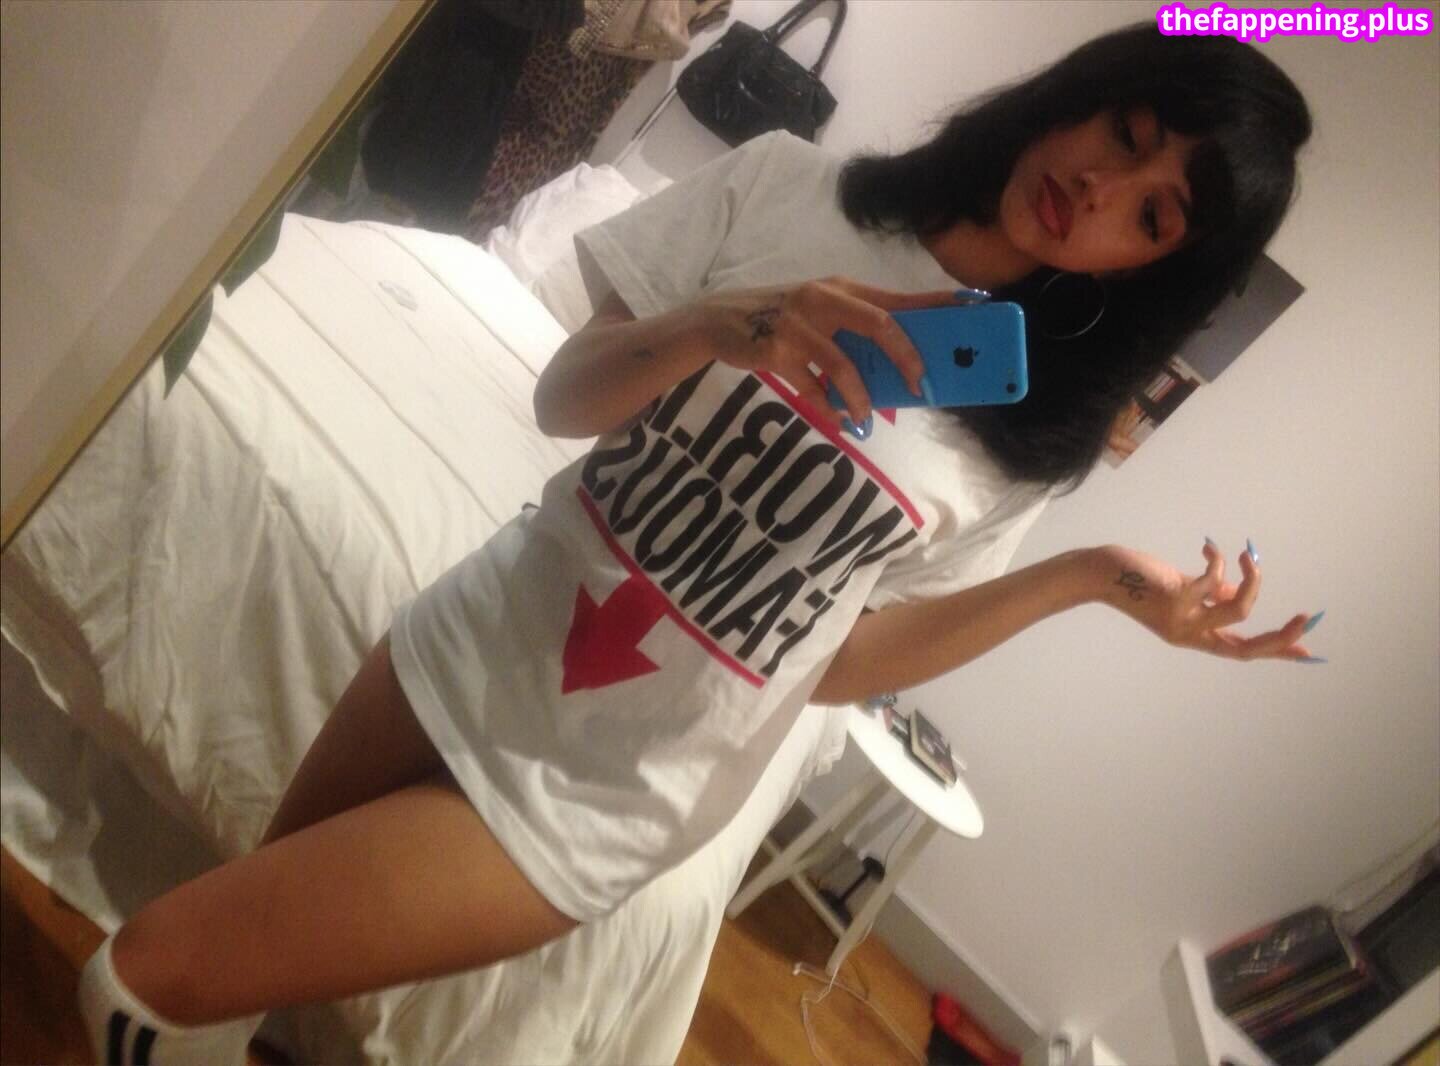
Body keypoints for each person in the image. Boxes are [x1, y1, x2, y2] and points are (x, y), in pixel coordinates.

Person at [78, 22, 1317, 1065]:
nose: (1101, 192)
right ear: (1083, 94)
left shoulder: (1026, 438)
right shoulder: (784, 186)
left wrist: (1090, 579)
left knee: (146, 974)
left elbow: (839, 661)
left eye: (1153, 215)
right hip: (484, 628)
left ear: (1147, 268)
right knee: (239, 993)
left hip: (611, 788)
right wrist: (733, 325)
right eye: (1127, 136)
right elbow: (565, 400)